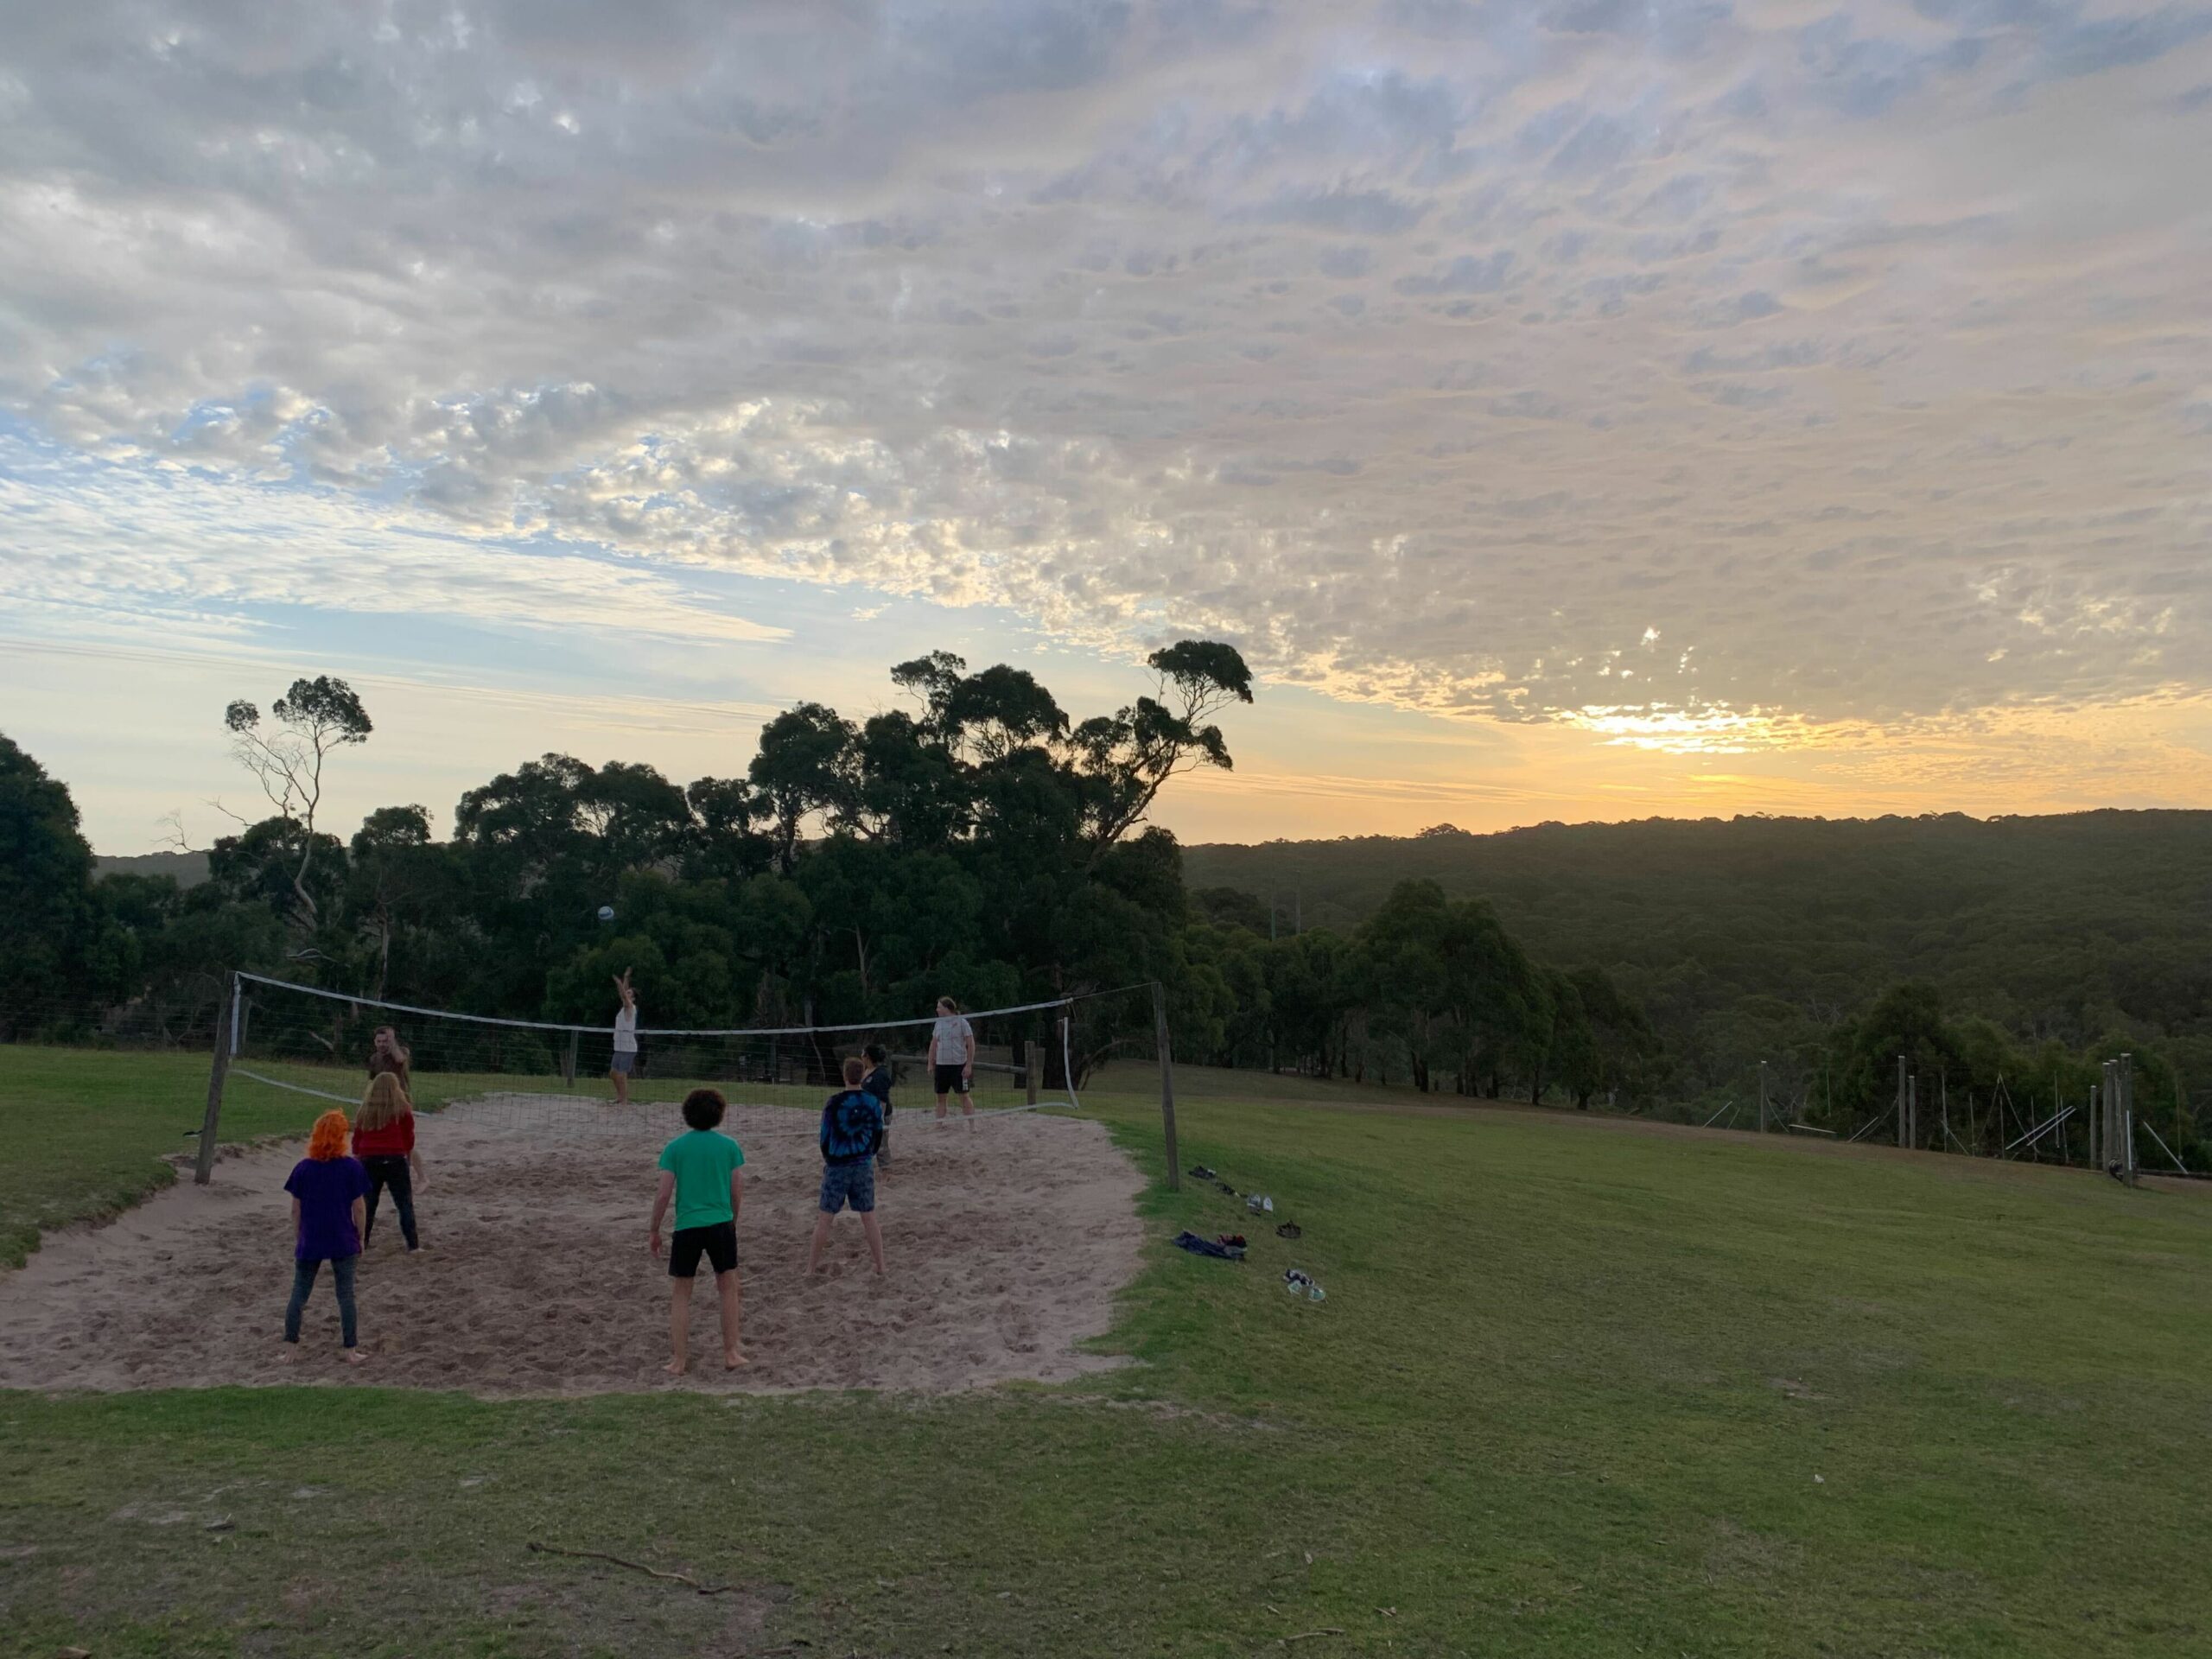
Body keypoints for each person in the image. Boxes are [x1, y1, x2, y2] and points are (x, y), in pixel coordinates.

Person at [649, 1087, 746, 1374]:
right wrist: (732, 1220)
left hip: (687, 1226)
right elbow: (737, 1190)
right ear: (720, 1114)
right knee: (728, 1288)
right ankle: (731, 1353)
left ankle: (679, 1361)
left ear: (687, 1114)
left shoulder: (675, 1148)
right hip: (720, 1223)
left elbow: (663, 1194)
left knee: (681, 1293)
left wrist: (654, 1229)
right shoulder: (729, 1146)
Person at [280, 1109, 372, 1364]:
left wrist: (299, 1236)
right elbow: (360, 1207)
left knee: (299, 1293)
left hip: (312, 1238)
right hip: (342, 1238)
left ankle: (290, 1348)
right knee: (345, 1295)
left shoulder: (303, 1169)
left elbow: (295, 1209)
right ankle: (350, 1349)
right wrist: (360, 1236)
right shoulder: (351, 1168)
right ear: (342, 1137)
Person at [808, 1057, 886, 1275]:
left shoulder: (833, 1103)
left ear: (844, 1075)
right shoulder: (872, 1102)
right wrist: (869, 1154)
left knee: (825, 1219)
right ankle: (881, 1266)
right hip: (862, 1164)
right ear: (862, 1076)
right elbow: (878, 1133)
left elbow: (824, 1137)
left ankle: (810, 1269)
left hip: (838, 1165)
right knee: (869, 1216)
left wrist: (829, 1159)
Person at [353, 1071, 425, 1254]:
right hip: (395, 1158)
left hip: (369, 1159)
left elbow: (357, 1138)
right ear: (396, 1088)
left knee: (368, 1204)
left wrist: (357, 1157)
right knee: (404, 1204)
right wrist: (406, 1158)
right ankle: (413, 1246)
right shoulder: (403, 1109)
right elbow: (409, 1139)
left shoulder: (365, 1108)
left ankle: (362, 1244)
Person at [926, 995, 976, 1129]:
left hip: (959, 1066)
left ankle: (972, 1124)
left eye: (939, 1007)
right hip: (942, 1066)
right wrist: (930, 1063)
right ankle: (939, 1124)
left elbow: (970, 1044)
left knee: (964, 1096)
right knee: (940, 1097)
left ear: (947, 1008)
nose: (937, 1009)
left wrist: (969, 1065)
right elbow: (933, 1044)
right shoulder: (939, 1024)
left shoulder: (962, 1022)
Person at [861, 1041, 893, 1167]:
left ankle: (886, 1169)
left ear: (867, 1056)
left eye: (862, 1053)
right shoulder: (865, 1071)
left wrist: (879, 1118)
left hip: (880, 1112)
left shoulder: (880, 1074)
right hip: (866, 1112)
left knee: (881, 1142)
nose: (861, 1056)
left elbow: (883, 1099)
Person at [610, 967, 639, 1107]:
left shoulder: (631, 1008)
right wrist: (626, 978)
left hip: (628, 1048)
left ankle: (625, 1100)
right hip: (619, 1046)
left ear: (632, 998)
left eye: (629, 994)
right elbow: (624, 994)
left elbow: (623, 994)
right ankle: (620, 1097)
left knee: (621, 1075)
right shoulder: (624, 1008)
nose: (626, 995)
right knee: (613, 1073)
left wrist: (619, 983)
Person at [367, 1025, 411, 1095]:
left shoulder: (402, 1051)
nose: (381, 1044)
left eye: (385, 1041)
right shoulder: (374, 1058)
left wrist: (391, 1038)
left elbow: (400, 1060)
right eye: (379, 1041)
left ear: (391, 1041)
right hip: (382, 1097)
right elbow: (372, 1080)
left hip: (400, 1097)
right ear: (375, 1042)